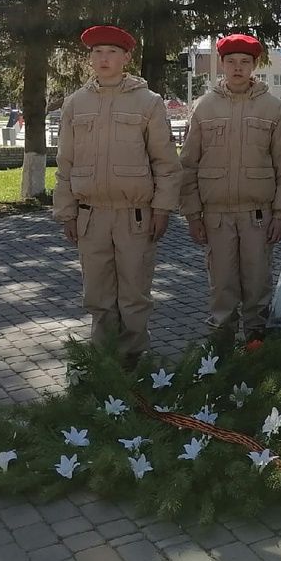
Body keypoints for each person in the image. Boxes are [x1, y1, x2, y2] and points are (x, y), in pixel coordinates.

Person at [53, 26, 182, 367]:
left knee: (134, 293)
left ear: (126, 58)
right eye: (97, 53)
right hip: (90, 215)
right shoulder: (75, 103)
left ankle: (132, 360)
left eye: (111, 52)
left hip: (134, 215)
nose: (103, 58)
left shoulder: (148, 102)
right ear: (90, 59)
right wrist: (66, 212)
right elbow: (65, 162)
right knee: (97, 293)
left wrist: (162, 209)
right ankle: (103, 359)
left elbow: (165, 162)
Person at [179, 34, 281, 345]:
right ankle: (221, 350)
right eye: (231, 61)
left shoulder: (273, 108)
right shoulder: (204, 108)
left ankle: (256, 347)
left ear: (254, 65)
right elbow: (188, 166)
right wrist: (193, 215)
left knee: (257, 285)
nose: (237, 68)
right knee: (222, 287)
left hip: (257, 217)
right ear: (222, 64)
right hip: (216, 216)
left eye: (244, 62)